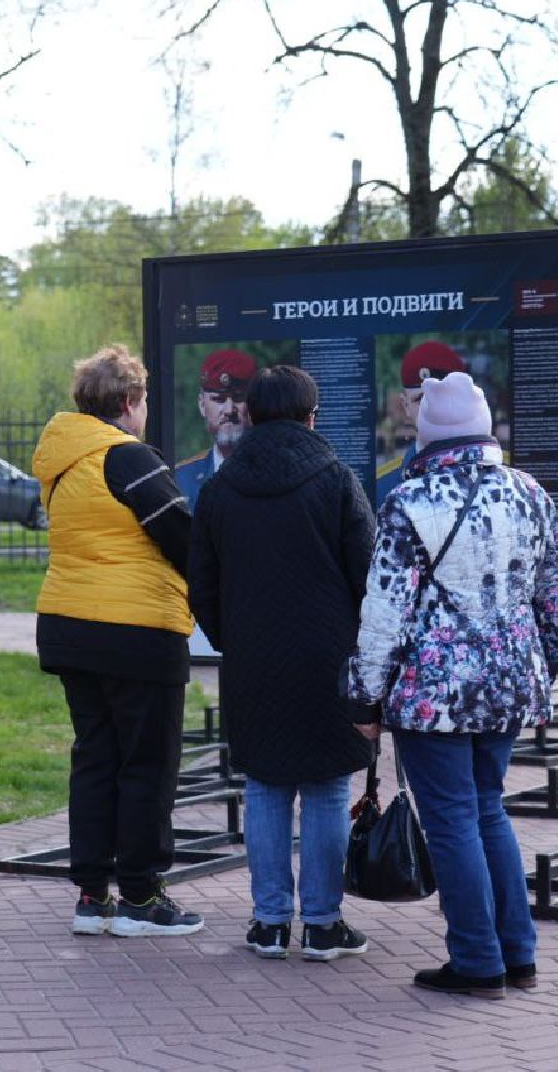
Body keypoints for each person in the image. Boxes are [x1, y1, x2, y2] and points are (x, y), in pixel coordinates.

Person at [348, 371, 558, 999]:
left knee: (450, 820)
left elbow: (384, 613)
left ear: (427, 435)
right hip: (509, 684)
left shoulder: (410, 502)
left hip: (434, 693)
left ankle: (476, 961)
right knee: (488, 808)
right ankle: (518, 953)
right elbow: (553, 600)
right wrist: (539, 671)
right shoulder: (530, 494)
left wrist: (365, 695)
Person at [187, 365, 380, 962]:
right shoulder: (336, 480)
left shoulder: (220, 489)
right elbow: (369, 574)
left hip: (253, 660)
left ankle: (269, 922)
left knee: (266, 786)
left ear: (251, 414)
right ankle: (322, 924)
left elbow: (201, 583)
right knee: (327, 788)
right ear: (311, 416)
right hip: (329, 659)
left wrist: (233, 638)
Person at [32, 343, 205, 939]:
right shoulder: (128, 458)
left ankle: (92, 894)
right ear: (131, 401)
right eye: (145, 399)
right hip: (137, 632)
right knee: (147, 765)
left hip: (69, 627)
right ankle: (141, 895)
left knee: (96, 759)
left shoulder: (63, 462)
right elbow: (181, 535)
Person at [373, 340, 468, 505]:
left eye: (440, 396)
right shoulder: (381, 489)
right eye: (419, 399)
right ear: (406, 406)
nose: (430, 408)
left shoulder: (503, 479)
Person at [174, 348, 257, 503]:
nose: (229, 410)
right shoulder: (181, 479)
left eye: (238, 398)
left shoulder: (276, 471)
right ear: (202, 405)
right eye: (219, 399)